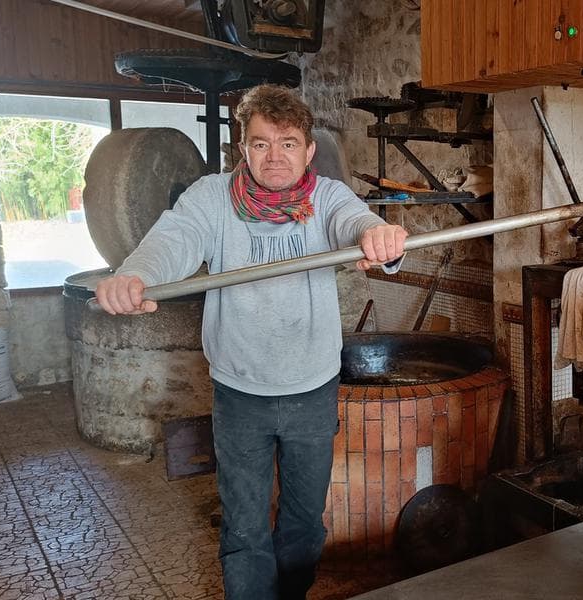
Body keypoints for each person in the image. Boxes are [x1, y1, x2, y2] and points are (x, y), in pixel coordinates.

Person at [95, 84, 407, 599]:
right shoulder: (212, 198)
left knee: (305, 525)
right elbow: (173, 241)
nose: (275, 156)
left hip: (312, 388)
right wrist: (135, 275)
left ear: (308, 151)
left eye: (288, 143)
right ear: (243, 149)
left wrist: (379, 237)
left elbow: (356, 222)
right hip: (239, 392)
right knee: (244, 531)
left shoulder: (327, 196)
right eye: (261, 143)